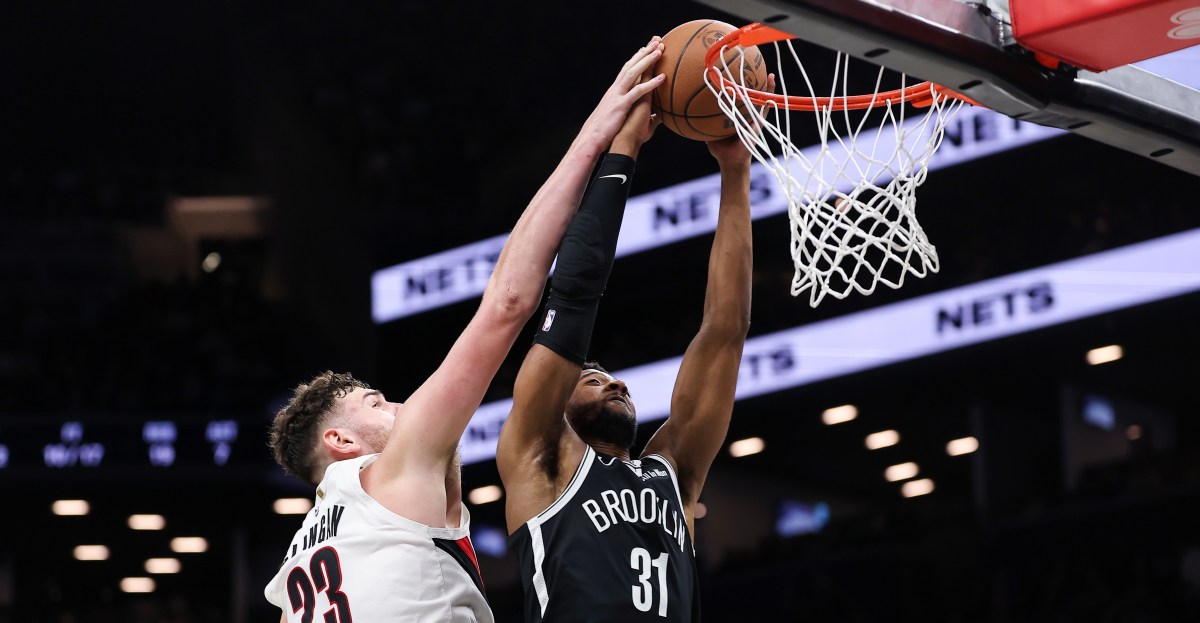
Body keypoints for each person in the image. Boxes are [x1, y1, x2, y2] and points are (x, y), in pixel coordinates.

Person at [262, 38, 667, 623]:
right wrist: (596, 136)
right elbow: (508, 301)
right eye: (377, 403)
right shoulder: (392, 469)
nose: (404, 406)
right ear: (342, 444)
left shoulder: (301, 563)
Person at [496, 96, 762, 621]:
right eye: (594, 378)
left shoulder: (673, 473)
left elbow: (726, 331)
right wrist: (624, 147)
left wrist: (735, 172)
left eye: (614, 379)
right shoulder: (540, 459)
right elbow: (573, 298)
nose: (617, 385)